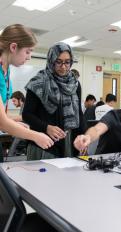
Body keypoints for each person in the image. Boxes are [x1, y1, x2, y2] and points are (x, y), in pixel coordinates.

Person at [22, 42, 85, 160]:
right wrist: (46, 127)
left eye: (67, 62)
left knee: (68, 177)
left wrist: (83, 136)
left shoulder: (75, 83)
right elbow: (27, 115)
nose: (63, 66)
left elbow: (79, 114)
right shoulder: (38, 83)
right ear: (51, 61)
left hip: (69, 141)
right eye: (58, 62)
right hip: (44, 143)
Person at [0, 24, 53, 162]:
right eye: (28, 51)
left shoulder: (6, 71)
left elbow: (3, 117)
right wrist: (36, 135)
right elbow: (3, 122)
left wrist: (14, 123)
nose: (29, 57)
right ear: (13, 47)